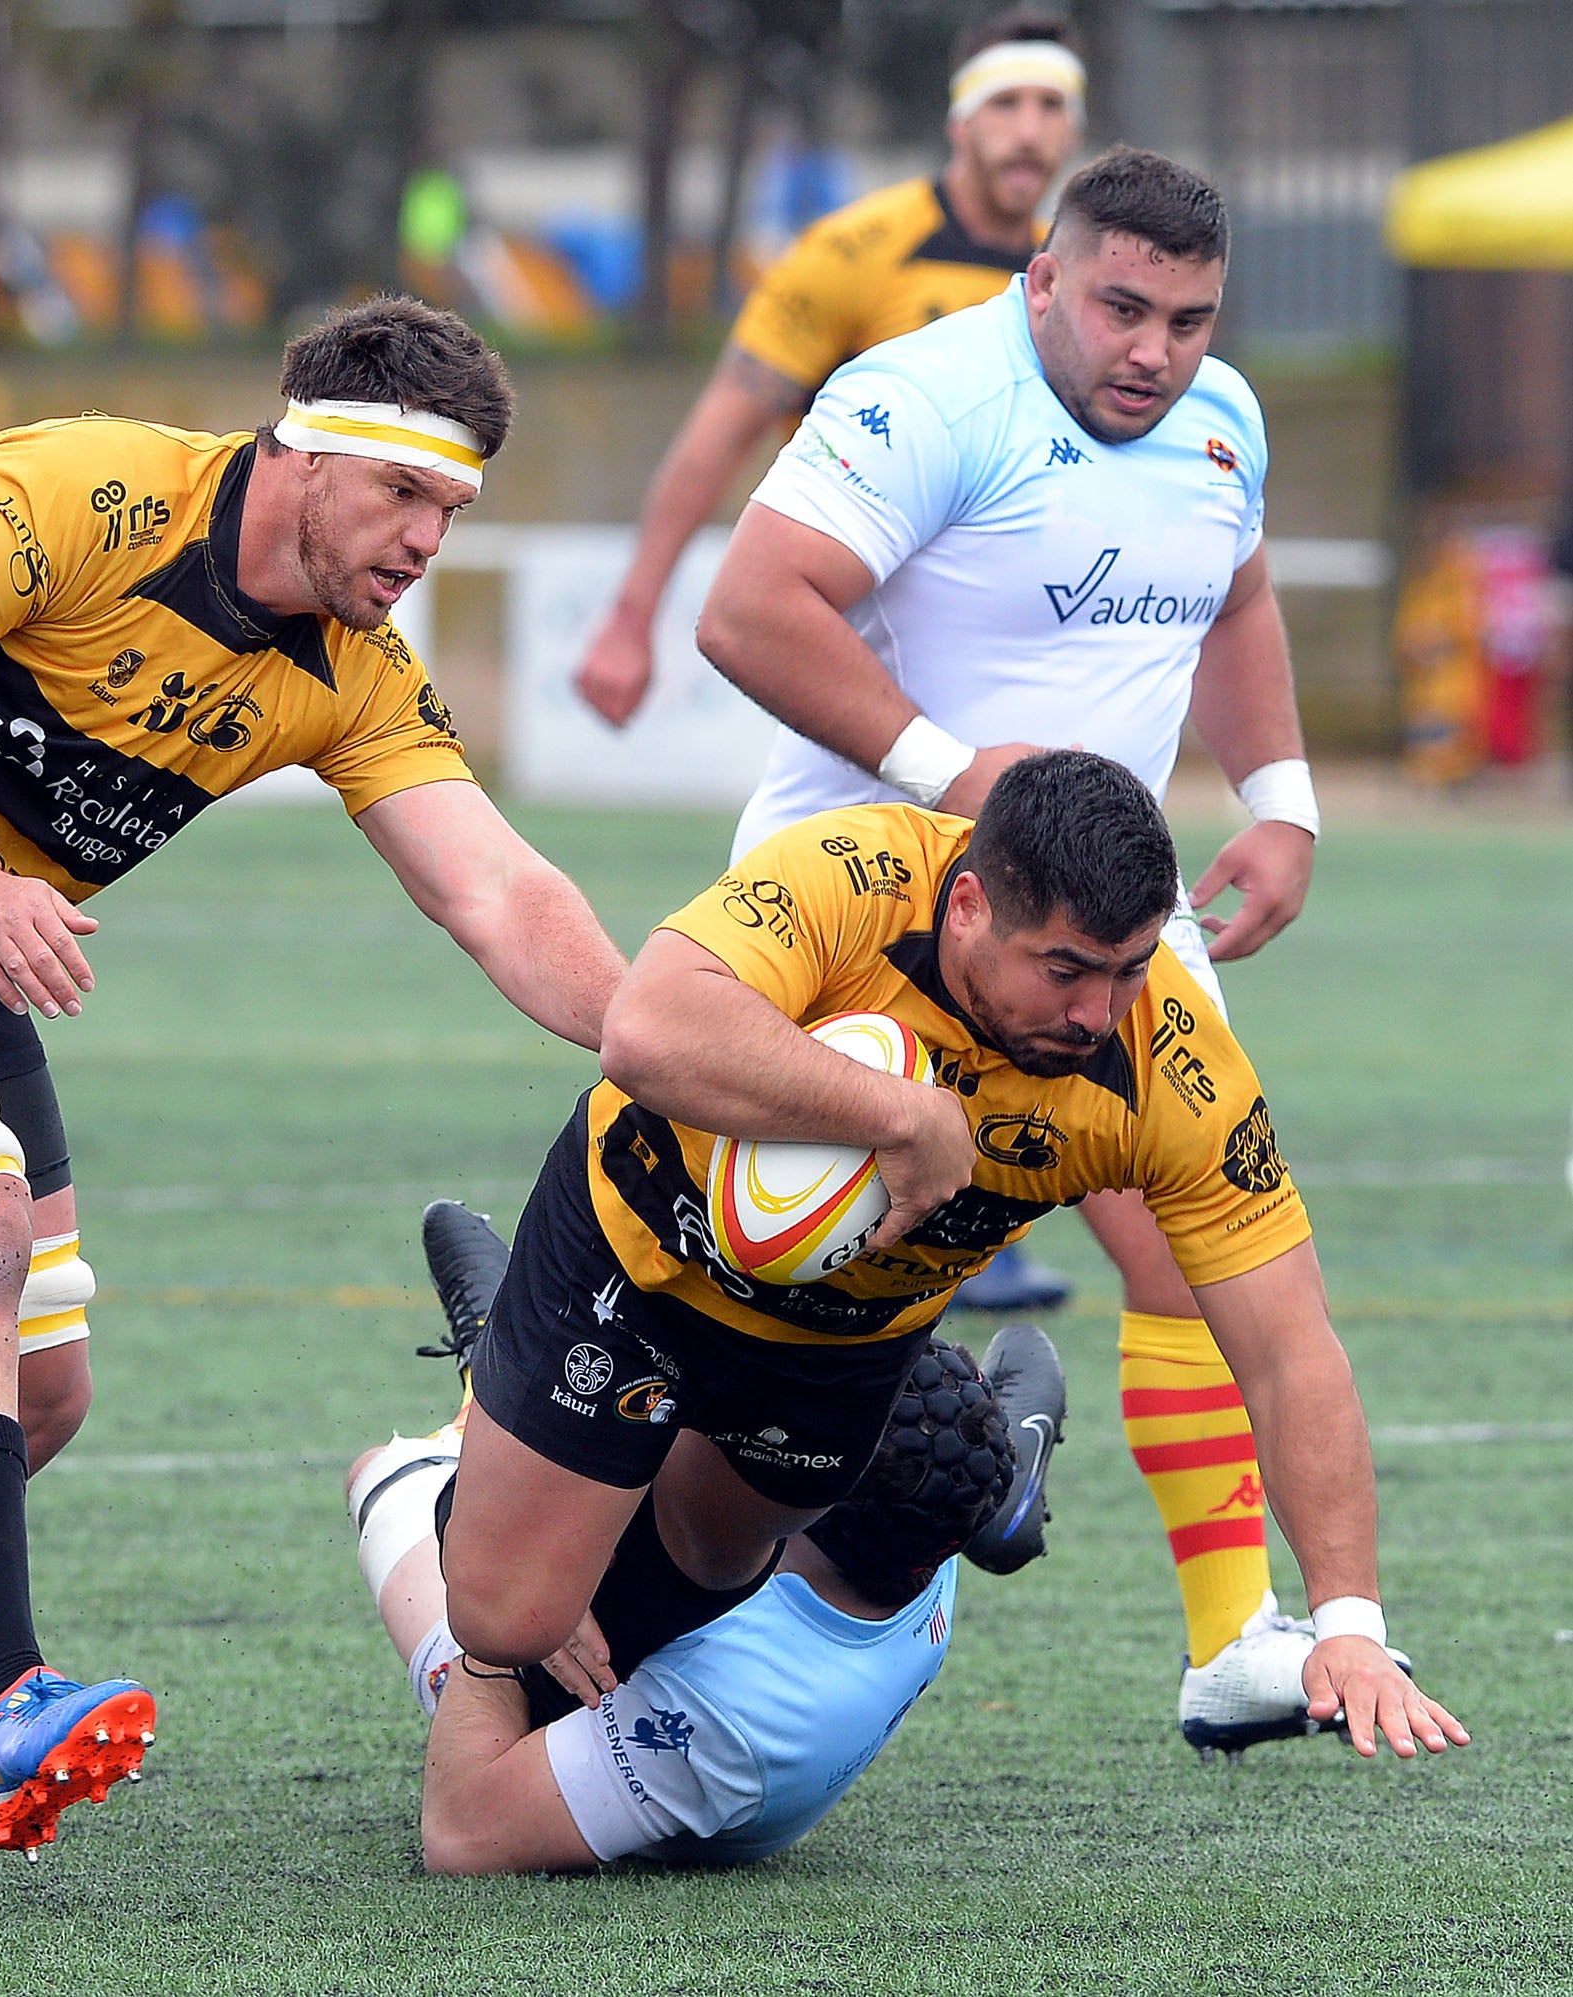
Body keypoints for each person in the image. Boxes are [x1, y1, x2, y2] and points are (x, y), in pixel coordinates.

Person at [0, 296, 628, 1865]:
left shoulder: (349, 669)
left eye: (455, 510)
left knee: (36, 1389)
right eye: (409, 495)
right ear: (305, 456)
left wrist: (661, 1049)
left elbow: (493, 890)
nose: (430, 539)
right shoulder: (91, 488)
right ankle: (9, 1697)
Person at [435, 751, 1466, 1785]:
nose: (1096, 1011)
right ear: (968, 903)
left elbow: (1289, 1353)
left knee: (706, 1561)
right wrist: (898, 1113)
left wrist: (1348, 1619)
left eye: (1131, 966)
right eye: (1063, 968)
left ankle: (577, 1442)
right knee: (507, 1617)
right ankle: (497, 1391)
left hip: (843, 1342)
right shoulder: (851, 874)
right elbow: (645, 1027)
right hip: (639, 1252)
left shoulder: (1175, 1074)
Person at [693, 149, 1341, 1751]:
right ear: (1041, 277)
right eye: (1122, 306)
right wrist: (964, 786)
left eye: (1190, 318)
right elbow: (752, 607)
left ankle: (1230, 1643)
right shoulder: (921, 398)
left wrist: (1279, 800)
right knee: (771, 1290)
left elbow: (1236, 597)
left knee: (1190, 1244)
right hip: (879, 920)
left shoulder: (1223, 418)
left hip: (1105, 931)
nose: (1157, 350)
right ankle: (495, 1468)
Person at [572, 6, 1084, 1324]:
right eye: (1007, 105)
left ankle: (972, 1201)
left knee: (1034, 948)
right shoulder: (857, 252)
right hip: (866, 689)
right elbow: (720, 430)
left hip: (1022, 683)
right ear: (962, 120)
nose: (1031, 132)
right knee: (818, 950)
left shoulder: (1092, 287)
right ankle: (695, 1195)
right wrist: (632, 611)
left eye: (1052, 108)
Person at [350, 1204, 1033, 1872]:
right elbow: (972, 1410)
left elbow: (463, 1831)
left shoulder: (733, 1706)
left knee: (388, 1480)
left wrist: (508, 1629)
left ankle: (492, 1379)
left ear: (802, 1503)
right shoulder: (924, 1517)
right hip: (848, 1576)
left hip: (663, 1753)